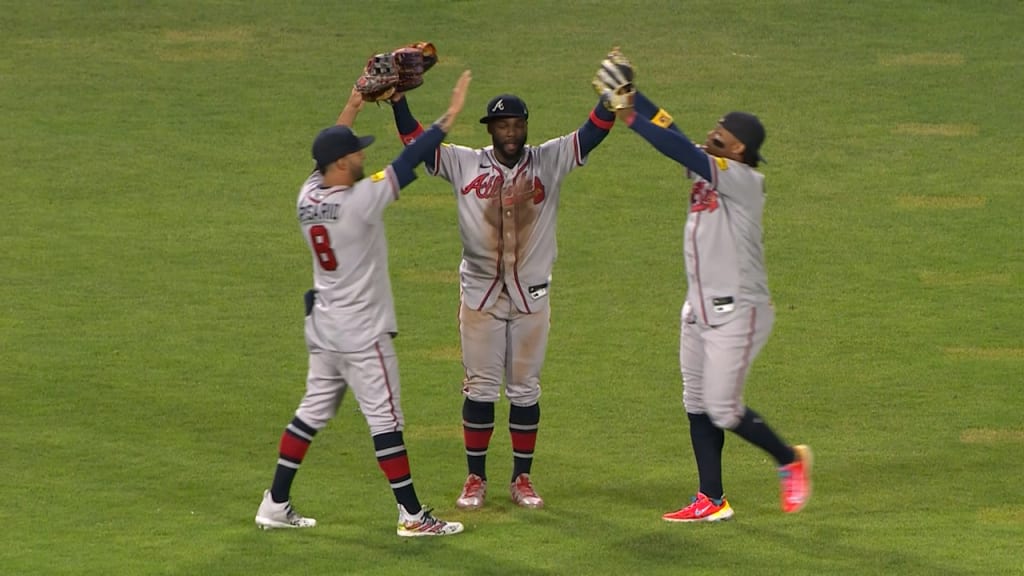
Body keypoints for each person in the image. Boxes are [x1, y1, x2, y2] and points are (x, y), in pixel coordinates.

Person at [254, 71, 473, 537]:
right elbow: (409, 159)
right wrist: (448, 118)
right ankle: (412, 516)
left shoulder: (308, 194)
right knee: (386, 420)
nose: (362, 154)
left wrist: (353, 103)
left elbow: (328, 152)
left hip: (325, 328)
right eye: (355, 152)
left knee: (310, 413)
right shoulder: (361, 201)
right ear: (340, 165)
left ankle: (274, 503)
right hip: (362, 334)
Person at [386, 85, 617, 510]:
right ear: (490, 129)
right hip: (481, 296)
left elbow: (592, 134)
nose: (511, 132)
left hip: (532, 295)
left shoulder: (548, 158)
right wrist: (398, 102)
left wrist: (610, 100)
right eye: (502, 125)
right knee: (481, 388)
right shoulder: (464, 161)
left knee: (525, 389)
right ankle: (475, 478)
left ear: (525, 126)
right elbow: (418, 146)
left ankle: (522, 478)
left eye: (517, 124)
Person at [604, 54, 812, 522]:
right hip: (698, 308)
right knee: (695, 401)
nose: (715, 132)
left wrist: (628, 113)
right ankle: (711, 499)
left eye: (725, 132)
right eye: (717, 125)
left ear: (740, 150)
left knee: (722, 407)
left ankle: (790, 460)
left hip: (740, 312)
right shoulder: (711, 161)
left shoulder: (742, 180)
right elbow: (676, 134)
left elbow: (677, 149)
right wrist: (634, 91)